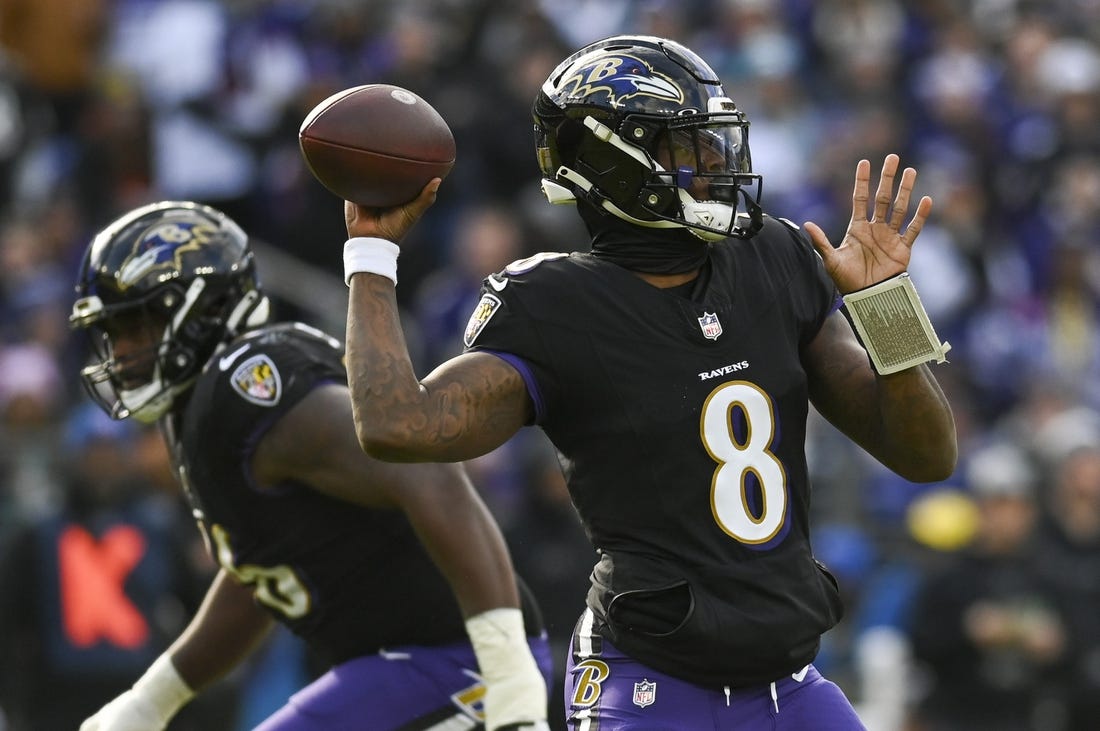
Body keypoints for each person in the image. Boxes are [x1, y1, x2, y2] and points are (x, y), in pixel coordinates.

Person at [338, 35, 957, 730]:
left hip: (790, 685)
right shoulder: (557, 305)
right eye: (685, 148)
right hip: (653, 686)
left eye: (714, 142)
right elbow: (396, 424)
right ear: (611, 163)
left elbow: (925, 454)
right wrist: (371, 253)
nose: (716, 162)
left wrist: (886, 308)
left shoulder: (772, 256)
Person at [68, 201, 552, 731]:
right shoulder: (199, 414)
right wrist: (151, 702)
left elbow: (425, 469)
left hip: (456, 665)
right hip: (408, 666)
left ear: (202, 310)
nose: (123, 350)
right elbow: (261, 571)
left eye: (139, 324)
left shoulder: (244, 388)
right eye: (114, 332)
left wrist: (507, 665)